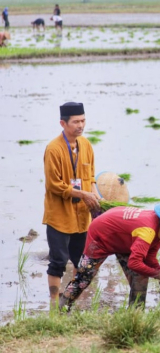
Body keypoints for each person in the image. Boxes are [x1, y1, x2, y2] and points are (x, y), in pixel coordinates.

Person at [58, 197, 160, 310]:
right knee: (84, 277)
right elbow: (134, 263)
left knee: (141, 275)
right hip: (101, 234)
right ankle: (61, 308)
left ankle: (136, 313)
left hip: (124, 238)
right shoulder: (148, 230)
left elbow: (149, 258)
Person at [43, 102, 101, 311]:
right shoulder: (53, 149)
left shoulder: (86, 145)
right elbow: (54, 185)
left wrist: (93, 192)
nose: (81, 125)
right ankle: (53, 302)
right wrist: (81, 193)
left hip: (82, 216)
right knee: (58, 261)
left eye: (83, 120)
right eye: (76, 121)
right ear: (63, 123)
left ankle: (69, 300)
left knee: (81, 262)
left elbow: (91, 175)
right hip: (60, 215)